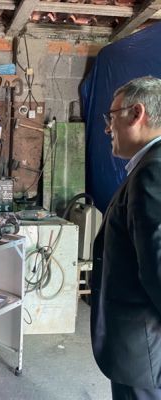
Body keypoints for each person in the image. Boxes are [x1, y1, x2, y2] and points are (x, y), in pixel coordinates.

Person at [91, 76, 161, 400]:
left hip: (142, 350)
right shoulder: (148, 166)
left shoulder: (152, 172)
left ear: (136, 113)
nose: (108, 128)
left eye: (112, 116)